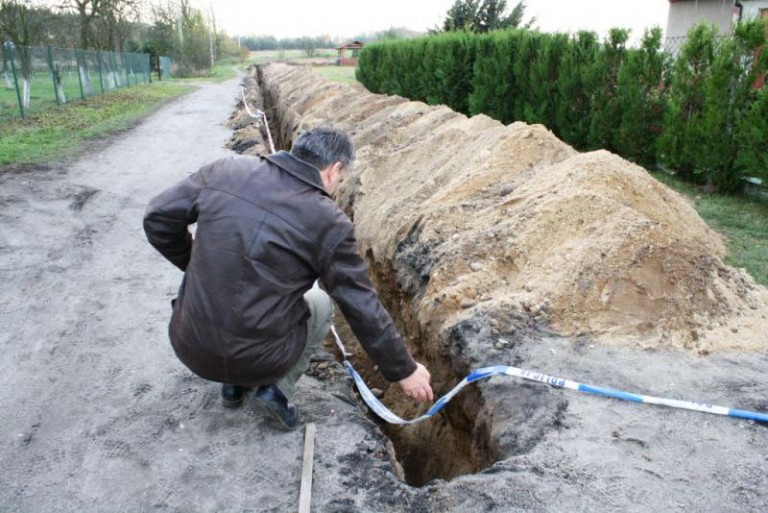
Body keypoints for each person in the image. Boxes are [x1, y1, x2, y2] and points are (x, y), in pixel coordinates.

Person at [143, 126, 433, 430]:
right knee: (320, 303)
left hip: (190, 343)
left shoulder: (225, 171)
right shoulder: (328, 221)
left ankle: (233, 388)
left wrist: (193, 264)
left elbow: (157, 218)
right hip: (259, 361)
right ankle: (277, 389)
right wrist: (403, 370)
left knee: (231, 295)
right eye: (342, 179)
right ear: (334, 170)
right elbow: (360, 304)